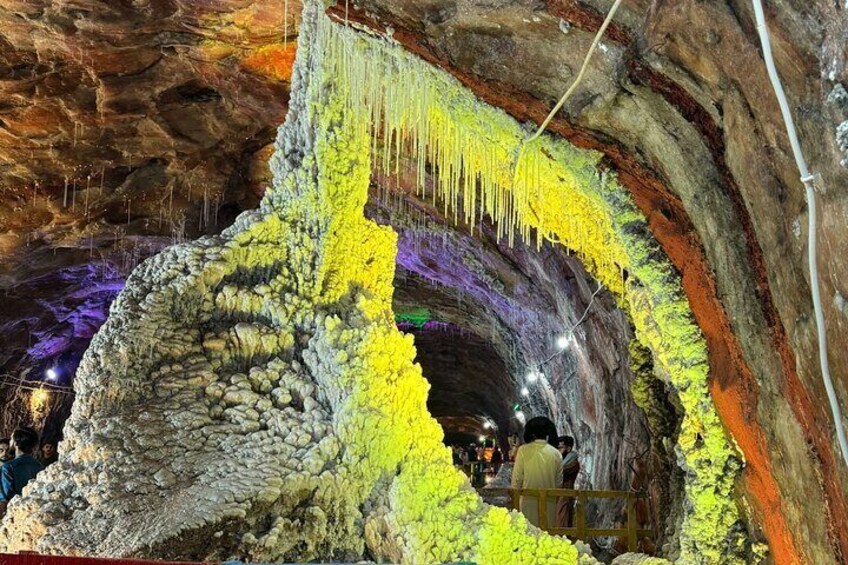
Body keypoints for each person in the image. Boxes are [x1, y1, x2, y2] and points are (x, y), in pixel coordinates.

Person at [511, 417, 562, 529]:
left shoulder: (523, 450)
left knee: (529, 535)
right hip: (549, 501)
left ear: (531, 434)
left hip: (528, 500)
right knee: (546, 536)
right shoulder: (556, 454)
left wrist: (515, 498)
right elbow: (559, 482)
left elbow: (517, 479)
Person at [0, 427, 44, 515]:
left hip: (15, 513)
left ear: (16, 443)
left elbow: (5, 497)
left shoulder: (8, 467)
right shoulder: (40, 466)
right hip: (35, 510)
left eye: (12, 438)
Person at [557, 435, 581, 527]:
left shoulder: (573, 463)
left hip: (565, 496)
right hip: (557, 496)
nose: (558, 451)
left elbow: (560, 472)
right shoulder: (561, 461)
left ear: (569, 448)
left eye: (561, 448)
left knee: (563, 523)